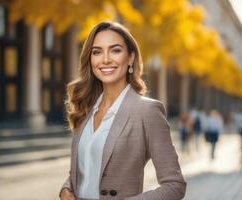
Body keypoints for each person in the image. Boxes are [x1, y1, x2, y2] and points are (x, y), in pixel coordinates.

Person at [59, 21, 186, 200]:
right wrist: (65, 190)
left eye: (115, 50)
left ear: (131, 57)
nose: (105, 59)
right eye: (97, 52)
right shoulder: (85, 108)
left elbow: (175, 186)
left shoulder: (147, 111)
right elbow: (83, 170)